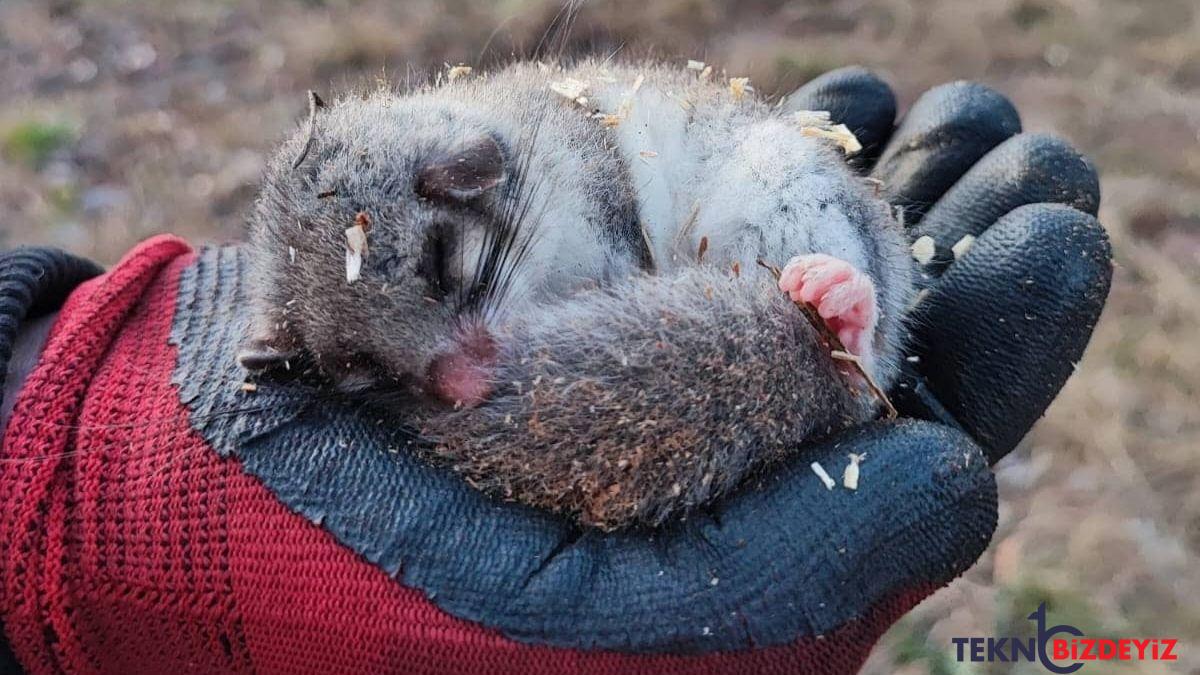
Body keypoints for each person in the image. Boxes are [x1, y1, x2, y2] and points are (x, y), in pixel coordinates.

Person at [0, 67, 1110, 675]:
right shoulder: (357, 303)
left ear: (469, 177)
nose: (459, 380)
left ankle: (828, 339)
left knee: (801, 191)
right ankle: (810, 348)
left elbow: (598, 259)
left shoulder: (527, 162)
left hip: (725, 232)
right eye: (393, 363)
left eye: (456, 291)